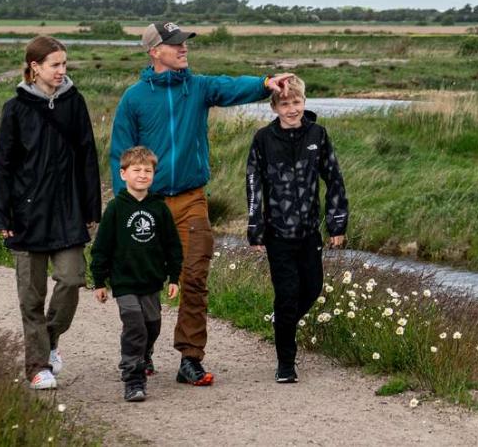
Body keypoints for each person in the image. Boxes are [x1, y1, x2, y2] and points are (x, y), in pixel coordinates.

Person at [109, 21, 294, 386]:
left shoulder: (197, 87)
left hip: (192, 199)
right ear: (154, 51)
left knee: (194, 278)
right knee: (146, 283)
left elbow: (229, 87)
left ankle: (190, 358)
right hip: (149, 204)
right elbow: (121, 155)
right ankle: (141, 350)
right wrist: (125, 206)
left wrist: (264, 84)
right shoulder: (134, 99)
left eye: (184, 43)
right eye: (174, 43)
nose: (183, 49)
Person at [0, 35, 101, 390]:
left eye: (64, 64)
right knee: (32, 295)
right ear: (35, 67)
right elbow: (2, 165)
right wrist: (1, 216)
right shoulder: (16, 108)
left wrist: (90, 207)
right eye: (55, 64)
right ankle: (38, 366)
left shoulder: (74, 103)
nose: (62, 71)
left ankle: (49, 340)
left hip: (68, 211)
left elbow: (87, 156)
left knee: (71, 279)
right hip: (26, 215)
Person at [245, 75, 348, 383]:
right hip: (277, 233)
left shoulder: (318, 134)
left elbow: (334, 180)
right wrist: (255, 228)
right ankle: (286, 364)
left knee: (312, 289)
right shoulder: (263, 139)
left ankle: (282, 323)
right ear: (274, 107)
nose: (292, 109)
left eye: (297, 102)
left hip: (309, 232)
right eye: (285, 103)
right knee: (287, 295)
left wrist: (336, 224)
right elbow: (254, 184)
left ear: (305, 102)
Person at [91, 146, 183, 402]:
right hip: (124, 282)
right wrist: (99, 281)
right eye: (136, 170)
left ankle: (144, 353)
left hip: (151, 281)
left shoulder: (160, 208)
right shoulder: (116, 208)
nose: (142, 175)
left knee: (152, 326)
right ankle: (133, 379)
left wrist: (174, 276)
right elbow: (101, 248)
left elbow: (172, 245)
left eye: (148, 170)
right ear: (123, 174)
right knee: (135, 326)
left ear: (154, 174)